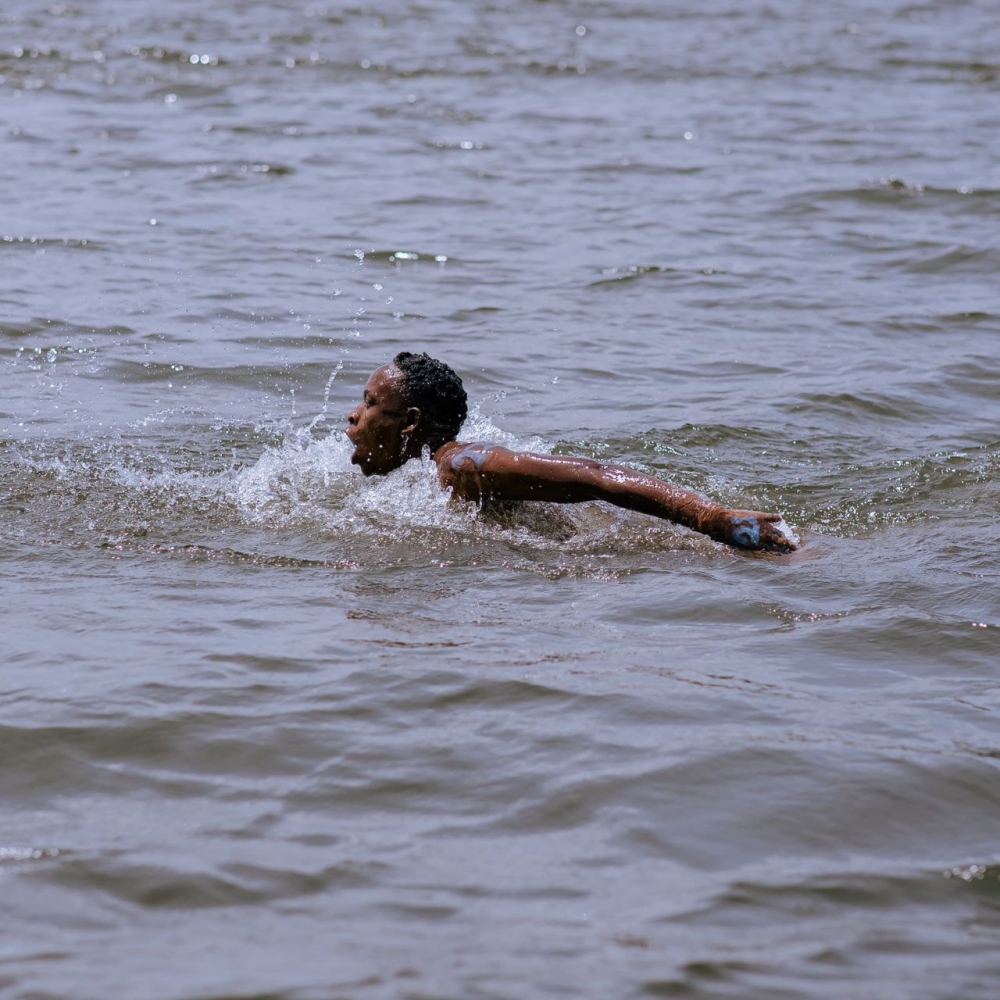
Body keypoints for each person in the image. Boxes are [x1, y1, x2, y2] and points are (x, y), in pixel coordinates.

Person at [345, 351, 798, 553]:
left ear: (410, 423)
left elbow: (593, 475)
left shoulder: (463, 465)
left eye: (369, 403)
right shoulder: (430, 471)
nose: (353, 416)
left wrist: (710, 518)